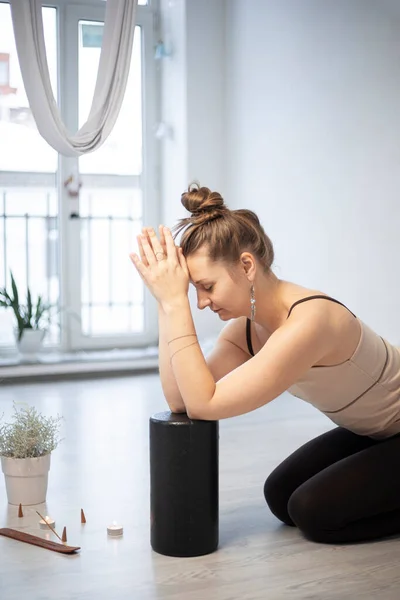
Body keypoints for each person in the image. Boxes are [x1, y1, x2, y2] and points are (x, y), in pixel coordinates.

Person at [130, 182, 400, 545]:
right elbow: (180, 398)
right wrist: (166, 303)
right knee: (280, 496)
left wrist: (176, 304)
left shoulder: (310, 321)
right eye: (193, 291)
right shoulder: (246, 329)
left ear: (246, 266)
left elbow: (204, 403)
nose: (200, 302)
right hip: (375, 431)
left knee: (313, 512)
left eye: (206, 286)